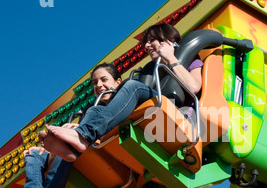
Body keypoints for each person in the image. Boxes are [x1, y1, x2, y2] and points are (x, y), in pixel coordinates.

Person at [39, 23, 203, 162]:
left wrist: (170, 58)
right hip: (152, 115)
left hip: (179, 116)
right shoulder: (150, 71)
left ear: (167, 40)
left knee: (133, 86)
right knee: (96, 109)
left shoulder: (191, 59)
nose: (146, 46)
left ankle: (83, 136)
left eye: (151, 41)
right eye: (145, 42)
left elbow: (194, 87)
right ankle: (75, 146)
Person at [9, 63, 124, 188]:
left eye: (104, 79)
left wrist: (74, 134)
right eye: (95, 82)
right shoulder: (92, 107)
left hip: (109, 149)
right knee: (33, 154)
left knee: (67, 143)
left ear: (118, 82)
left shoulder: (123, 102)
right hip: (83, 147)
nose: (99, 85)